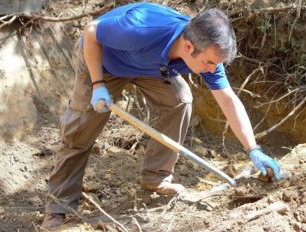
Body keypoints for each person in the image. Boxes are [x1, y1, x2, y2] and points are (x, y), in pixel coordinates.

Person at [41, 2, 281, 229]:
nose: (212, 69)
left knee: (180, 101)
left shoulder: (208, 52)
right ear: (188, 47)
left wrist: (253, 149)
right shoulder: (141, 29)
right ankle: (58, 205)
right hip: (103, 63)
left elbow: (228, 99)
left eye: (216, 64)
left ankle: (156, 178)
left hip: (150, 67)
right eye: (209, 62)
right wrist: (97, 84)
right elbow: (92, 32)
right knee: (80, 128)